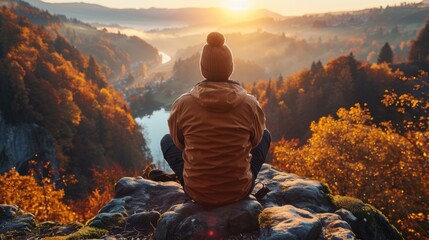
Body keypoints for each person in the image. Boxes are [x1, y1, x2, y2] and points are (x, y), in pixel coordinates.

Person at [158, 32, 271, 206]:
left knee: (167, 140)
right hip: (239, 190)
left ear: (203, 69)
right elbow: (255, 142)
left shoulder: (183, 103)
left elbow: (179, 143)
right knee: (265, 135)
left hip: (197, 192)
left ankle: (195, 178)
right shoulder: (250, 103)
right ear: (230, 67)